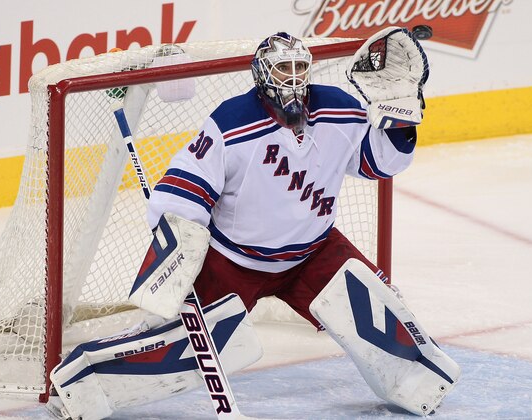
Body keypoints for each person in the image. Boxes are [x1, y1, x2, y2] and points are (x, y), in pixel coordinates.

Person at [47, 29, 460, 420]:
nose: (294, 79)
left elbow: (381, 163)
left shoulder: (337, 108)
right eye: (284, 69)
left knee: (380, 312)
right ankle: (82, 382)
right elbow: (184, 188)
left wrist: (402, 114)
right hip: (233, 262)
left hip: (313, 252)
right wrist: (181, 242)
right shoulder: (233, 122)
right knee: (176, 350)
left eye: (301, 68)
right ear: (263, 74)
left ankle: (416, 382)